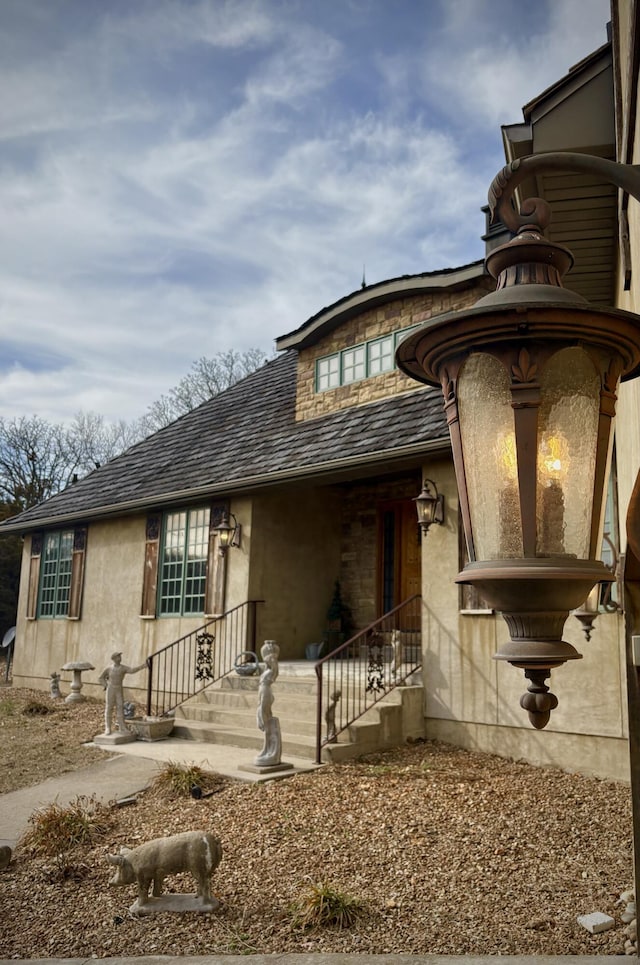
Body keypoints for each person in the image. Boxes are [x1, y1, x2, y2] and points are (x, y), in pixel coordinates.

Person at [98, 652, 146, 735]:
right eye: (117, 657)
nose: (119, 658)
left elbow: (132, 670)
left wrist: (142, 666)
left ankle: (122, 727)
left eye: (120, 657)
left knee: (120, 707)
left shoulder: (123, 668)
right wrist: (105, 685)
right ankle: (108, 727)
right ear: (113, 659)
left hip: (119, 689)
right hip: (111, 689)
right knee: (109, 707)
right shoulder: (109, 669)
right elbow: (101, 678)